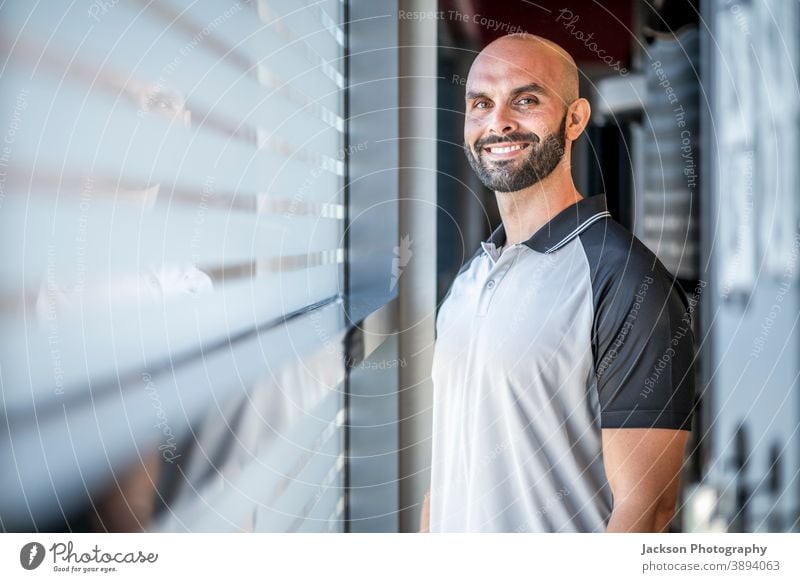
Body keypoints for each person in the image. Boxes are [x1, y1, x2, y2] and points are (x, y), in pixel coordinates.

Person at [422, 34, 696, 533]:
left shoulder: (627, 281)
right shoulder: (469, 279)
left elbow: (647, 513)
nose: (498, 121)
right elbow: (447, 472)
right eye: (480, 103)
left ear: (574, 119)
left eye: (525, 100)